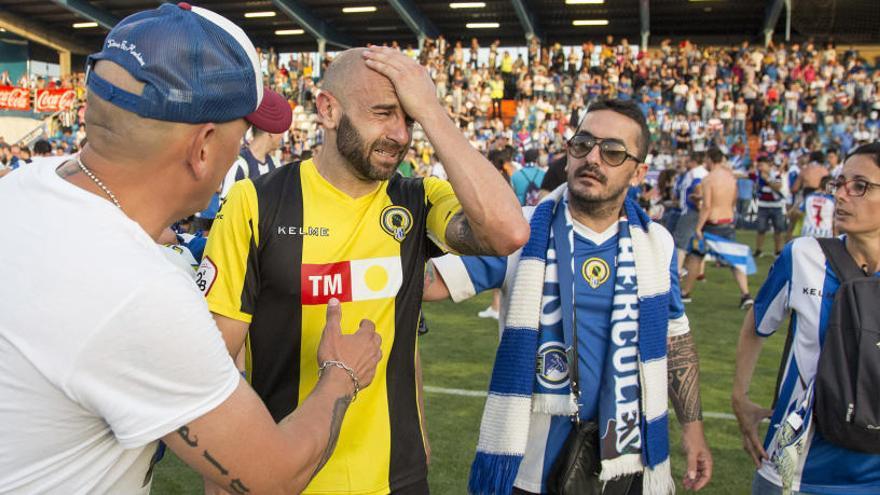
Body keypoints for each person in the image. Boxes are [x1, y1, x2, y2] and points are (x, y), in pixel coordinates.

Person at [0, 4, 382, 494]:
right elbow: (273, 476)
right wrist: (342, 373)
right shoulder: (136, 290)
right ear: (203, 147)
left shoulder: (27, 183)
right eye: (241, 133)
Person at [199, 46, 528, 495]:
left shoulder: (418, 200)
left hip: (398, 476)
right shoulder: (255, 202)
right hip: (289, 476)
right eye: (384, 113)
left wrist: (432, 112)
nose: (400, 133)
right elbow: (215, 359)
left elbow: (507, 232)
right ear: (329, 110)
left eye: (408, 119)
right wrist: (223, 470)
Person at [426, 98, 712, 494]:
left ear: (638, 172)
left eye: (612, 151)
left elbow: (675, 338)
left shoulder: (657, 244)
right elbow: (430, 282)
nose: (592, 157)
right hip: (530, 464)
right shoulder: (519, 231)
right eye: (582, 144)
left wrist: (693, 430)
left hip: (628, 457)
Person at [732, 142, 880, 495]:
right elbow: (757, 323)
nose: (841, 196)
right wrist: (740, 396)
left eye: (859, 185)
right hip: (791, 473)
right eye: (838, 183)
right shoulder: (803, 256)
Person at [681, 147, 754, 308]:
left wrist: (698, 227)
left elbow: (707, 206)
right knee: (734, 260)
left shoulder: (708, 179)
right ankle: (746, 294)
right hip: (727, 221)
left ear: (709, 160)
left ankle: (685, 293)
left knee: (695, 256)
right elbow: (732, 200)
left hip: (711, 224)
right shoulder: (730, 178)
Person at [220, 127, 285, 198]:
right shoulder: (239, 164)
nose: (282, 136)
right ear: (271, 133)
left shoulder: (275, 164)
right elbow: (227, 206)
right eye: (281, 131)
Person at [672, 153, 708, 274]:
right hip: (696, 211)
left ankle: (677, 271)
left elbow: (698, 187)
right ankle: (700, 272)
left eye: (688, 161)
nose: (686, 164)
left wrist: (698, 204)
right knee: (696, 242)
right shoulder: (701, 172)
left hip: (691, 211)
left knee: (681, 242)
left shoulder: (695, 172)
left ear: (693, 162)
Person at [752, 157, 787, 257]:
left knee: (778, 229)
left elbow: (778, 186)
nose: (760, 168)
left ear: (768, 165)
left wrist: (767, 179)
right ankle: (758, 250)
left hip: (776, 205)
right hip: (763, 205)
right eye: (759, 166)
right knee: (761, 229)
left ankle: (778, 251)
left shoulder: (776, 174)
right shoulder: (758, 175)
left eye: (762, 165)